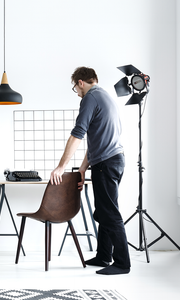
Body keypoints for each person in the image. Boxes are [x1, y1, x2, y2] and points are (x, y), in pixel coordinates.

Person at [50, 66, 130, 275]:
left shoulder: (90, 98)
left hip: (106, 163)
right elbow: (97, 140)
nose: (77, 93)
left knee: (109, 212)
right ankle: (104, 255)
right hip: (112, 159)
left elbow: (78, 134)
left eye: (76, 88)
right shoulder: (105, 96)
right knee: (104, 210)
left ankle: (122, 263)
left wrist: (61, 167)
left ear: (80, 83)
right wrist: (84, 167)